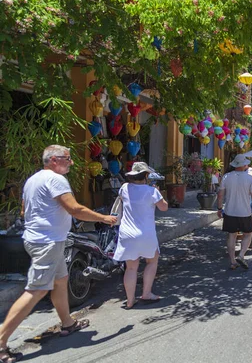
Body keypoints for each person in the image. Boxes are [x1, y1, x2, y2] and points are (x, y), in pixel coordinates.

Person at [0, 145, 118, 363]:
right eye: (67, 159)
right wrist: (104, 218)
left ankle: (67, 323)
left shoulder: (33, 180)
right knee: (36, 290)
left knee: (61, 281)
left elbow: (25, 211)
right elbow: (76, 210)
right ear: (53, 160)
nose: (71, 163)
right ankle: (1, 342)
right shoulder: (56, 180)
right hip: (48, 243)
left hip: (38, 239)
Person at [114, 162, 169, 310]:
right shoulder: (152, 191)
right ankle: (146, 293)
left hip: (127, 233)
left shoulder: (124, 188)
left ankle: (130, 300)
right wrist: (158, 192)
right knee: (152, 261)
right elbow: (164, 207)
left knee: (131, 268)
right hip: (146, 233)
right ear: (146, 175)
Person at [217, 155, 252, 270]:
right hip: (244, 212)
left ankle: (232, 261)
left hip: (229, 211)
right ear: (243, 165)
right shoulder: (249, 178)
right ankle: (241, 255)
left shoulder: (226, 177)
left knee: (232, 235)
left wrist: (219, 208)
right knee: (248, 234)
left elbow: (220, 195)